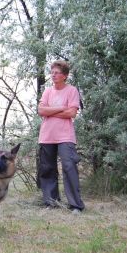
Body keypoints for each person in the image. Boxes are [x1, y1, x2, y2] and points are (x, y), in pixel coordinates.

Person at [37, 60, 85, 214]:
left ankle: (75, 205)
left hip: (65, 136)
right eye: (52, 72)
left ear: (65, 75)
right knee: (47, 169)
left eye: (57, 73)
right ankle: (51, 202)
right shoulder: (48, 91)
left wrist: (50, 110)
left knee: (69, 167)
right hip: (47, 135)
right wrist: (61, 108)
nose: (53, 75)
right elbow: (41, 110)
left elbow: (72, 113)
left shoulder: (72, 91)